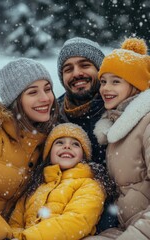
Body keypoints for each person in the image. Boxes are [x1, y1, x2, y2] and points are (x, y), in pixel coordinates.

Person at [9, 122, 117, 240]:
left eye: (75, 144)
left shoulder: (91, 184)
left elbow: (77, 222)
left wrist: (27, 237)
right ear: (49, 153)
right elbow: (15, 223)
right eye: (59, 142)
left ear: (84, 156)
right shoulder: (35, 187)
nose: (67, 146)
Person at [88, 37, 150, 240]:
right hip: (127, 226)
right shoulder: (117, 126)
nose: (106, 88)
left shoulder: (146, 123)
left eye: (116, 81)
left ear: (135, 85)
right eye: (103, 81)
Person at [0, 58, 59, 239]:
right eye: (32, 92)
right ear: (15, 100)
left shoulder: (46, 141)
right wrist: (2, 234)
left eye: (47, 89)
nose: (45, 98)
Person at [57, 37, 118, 233]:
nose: (77, 73)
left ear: (100, 70)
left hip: (119, 223)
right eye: (68, 69)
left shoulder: (121, 110)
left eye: (85, 65)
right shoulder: (52, 117)